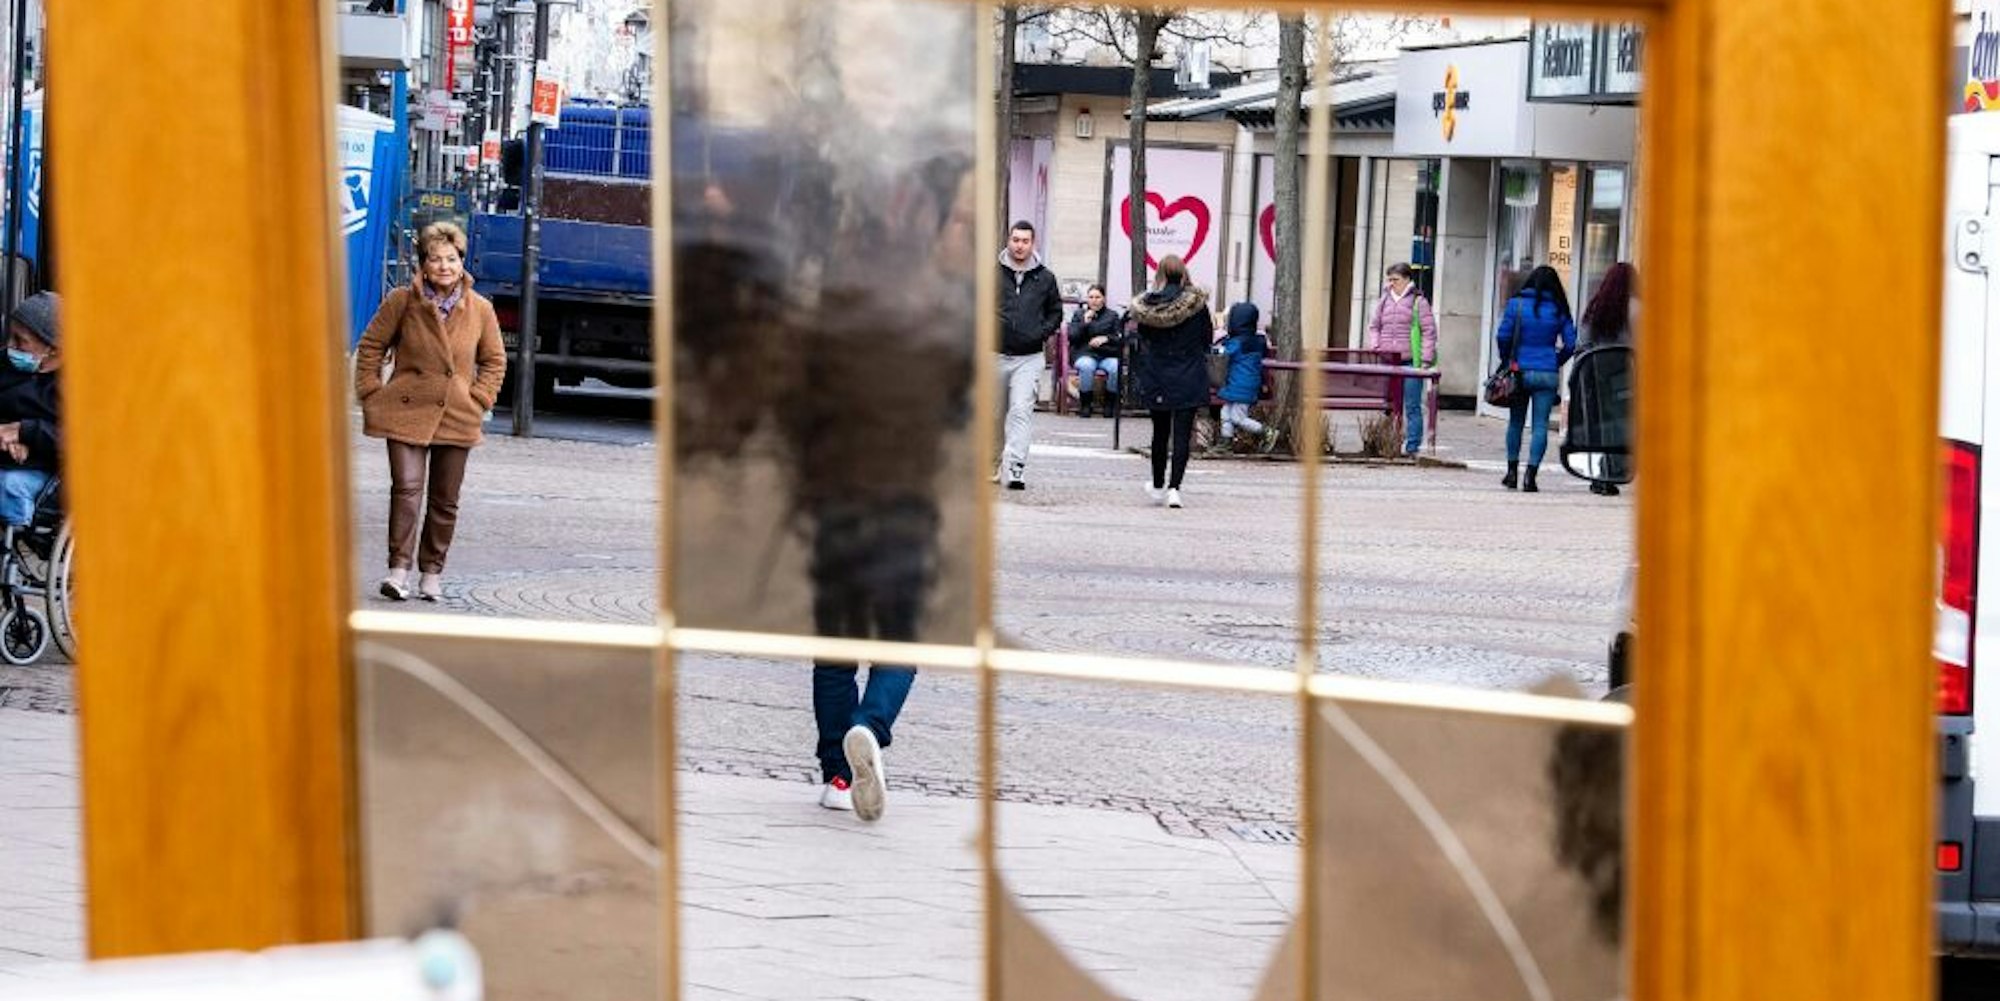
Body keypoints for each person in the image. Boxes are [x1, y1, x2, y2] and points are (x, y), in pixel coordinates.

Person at [353, 221, 508, 601]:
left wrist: (479, 399)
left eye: (451, 259)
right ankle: (398, 571)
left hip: (457, 413)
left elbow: (494, 360)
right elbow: (371, 346)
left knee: (444, 499)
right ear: (422, 263)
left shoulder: (481, 309)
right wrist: (371, 391)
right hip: (405, 410)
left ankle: (432, 573)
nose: (444, 267)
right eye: (436, 259)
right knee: (406, 489)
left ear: (462, 261)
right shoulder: (402, 301)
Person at [1129, 255, 1212, 509]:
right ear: (1184, 274)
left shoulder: (1149, 307)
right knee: (1182, 435)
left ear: (1161, 275)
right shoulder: (1197, 306)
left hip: (1159, 375)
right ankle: (1175, 489)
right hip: (1189, 374)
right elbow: (1206, 339)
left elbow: (1143, 337)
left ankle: (1157, 486)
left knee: (1160, 433)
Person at [1495, 264, 1578, 493]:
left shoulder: (1516, 304)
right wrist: (1555, 361)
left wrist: (1507, 358)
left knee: (1516, 422)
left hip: (1519, 371)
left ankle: (1511, 473)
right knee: (1540, 425)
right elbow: (1571, 344)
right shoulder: (1559, 308)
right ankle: (1530, 477)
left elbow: (1502, 336)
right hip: (1547, 372)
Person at [995, 220, 1063, 489]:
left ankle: (1016, 467)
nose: (1020, 246)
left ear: (1033, 243)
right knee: (993, 413)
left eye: (1025, 241)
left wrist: (1041, 332)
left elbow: (1056, 312)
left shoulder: (1045, 278)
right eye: (1016, 240)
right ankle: (991, 461)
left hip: (1029, 356)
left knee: (1021, 410)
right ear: (1008, 241)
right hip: (994, 353)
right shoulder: (993, 273)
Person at [0, 292, 61, 530]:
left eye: (20, 340)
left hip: (49, 473)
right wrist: (7, 435)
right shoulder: (6, 363)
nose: (10, 346)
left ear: (53, 349)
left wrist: (24, 432)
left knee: (7, 485)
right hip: (8, 456)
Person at [1578, 262, 1638, 495]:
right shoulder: (1637, 308)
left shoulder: (1596, 307)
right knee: (1621, 424)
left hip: (1595, 374)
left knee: (1601, 424)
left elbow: (1583, 343)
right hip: (1624, 374)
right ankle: (1612, 471)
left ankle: (1601, 474)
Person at [1366, 262, 1437, 457]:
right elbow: (1374, 326)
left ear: (1407, 279)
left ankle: (1412, 447)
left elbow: (1429, 332)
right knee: (1388, 406)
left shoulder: (1418, 301)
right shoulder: (1384, 300)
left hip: (1410, 361)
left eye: (1395, 279)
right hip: (1388, 360)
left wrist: (1426, 359)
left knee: (1412, 405)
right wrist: (1376, 346)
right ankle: (1389, 444)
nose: (1391, 283)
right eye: (1389, 279)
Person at [1213, 301, 1277, 452]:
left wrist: (1212, 349)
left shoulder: (1236, 343)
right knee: (1225, 413)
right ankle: (1226, 442)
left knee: (1237, 417)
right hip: (1245, 384)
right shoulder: (1257, 341)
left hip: (1239, 385)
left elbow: (1223, 353)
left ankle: (1267, 432)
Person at [1066, 284, 1122, 418]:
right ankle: (1086, 403)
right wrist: (1084, 323)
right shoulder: (1079, 314)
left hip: (1106, 354)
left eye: (1097, 297)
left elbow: (1119, 337)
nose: (1094, 300)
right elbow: (1072, 337)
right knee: (1087, 366)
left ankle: (1109, 403)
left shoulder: (1112, 316)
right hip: (1085, 353)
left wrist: (1106, 338)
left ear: (1104, 299)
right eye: (1091, 297)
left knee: (1115, 367)